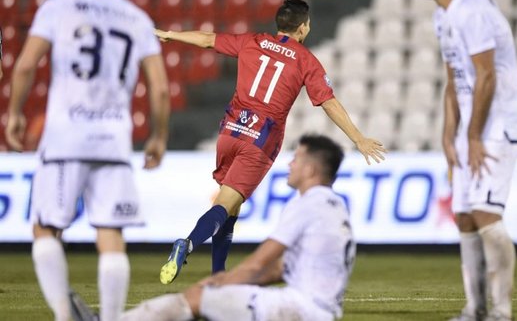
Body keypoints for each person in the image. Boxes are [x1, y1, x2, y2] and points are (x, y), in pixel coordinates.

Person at [154, 0, 385, 284]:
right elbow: (328, 102)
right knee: (226, 203)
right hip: (260, 139)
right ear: (302, 28)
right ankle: (187, 245)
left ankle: (219, 277)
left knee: (231, 207)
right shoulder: (305, 60)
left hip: (229, 132)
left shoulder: (253, 41)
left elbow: (207, 40)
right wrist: (358, 138)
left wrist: (170, 34)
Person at [5, 0, 170, 321]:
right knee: (111, 234)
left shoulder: (56, 7)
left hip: (64, 135)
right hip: (113, 139)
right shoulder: (136, 17)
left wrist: (15, 113)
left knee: (46, 229)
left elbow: (26, 65)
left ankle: (65, 315)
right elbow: (160, 87)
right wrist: (159, 136)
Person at [72, 134, 355, 321]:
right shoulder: (336, 207)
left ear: (310, 170)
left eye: (298, 158)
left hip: (297, 309)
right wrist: (226, 280)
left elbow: (263, 258)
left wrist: (226, 279)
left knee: (195, 298)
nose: (290, 163)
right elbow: (280, 269)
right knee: (211, 299)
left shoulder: (306, 204)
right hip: (323, 311)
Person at [416, 0, 517, 321]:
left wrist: (475, 136)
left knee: (484, 214)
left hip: (498, 125)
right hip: (473, 129)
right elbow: (454, 79)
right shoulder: (443, 16)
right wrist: (451, 135)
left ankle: (501, 312)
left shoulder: (473, 8)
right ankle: (476, 310)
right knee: (463, 216)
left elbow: (486, 74)